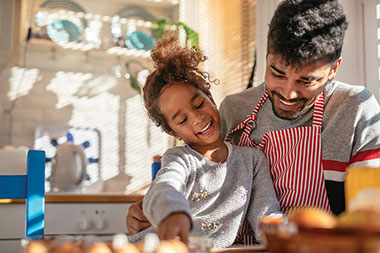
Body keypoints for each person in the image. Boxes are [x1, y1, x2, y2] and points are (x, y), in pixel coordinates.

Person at [126, 0, 380, 241]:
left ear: (333, 69)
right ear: (267, 54)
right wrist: (157, 210)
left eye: (306, 80)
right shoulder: (235, 110)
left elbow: (370, 216)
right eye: (277, 73)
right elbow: (204, 184)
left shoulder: (355, 109)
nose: (288, 94)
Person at [128, 33, 281, 247]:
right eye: (182, 120)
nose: (198, 118)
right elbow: (163, 188)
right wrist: (172, 213)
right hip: (157, 247)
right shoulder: (181, 159)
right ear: (174, 134)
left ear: (211, 97)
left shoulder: (252, 160)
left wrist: (284, 235)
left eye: (199, 104)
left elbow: (266, 214)